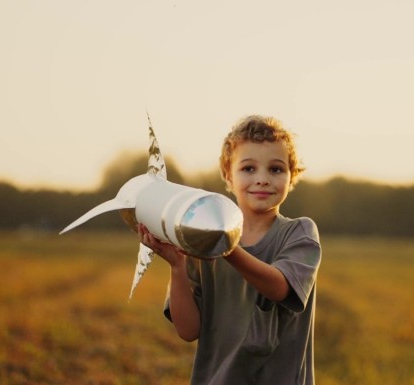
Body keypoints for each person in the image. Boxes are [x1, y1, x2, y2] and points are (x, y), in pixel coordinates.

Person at [137, 115, 321, 385]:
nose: (262, 179)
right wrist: (177, 267)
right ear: (227, 174)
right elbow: (188, 330)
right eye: (248, 169)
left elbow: (280, 288)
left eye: (276, 169)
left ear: (292, 176)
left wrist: (225, 247)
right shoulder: (200, 243)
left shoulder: (300, 233)